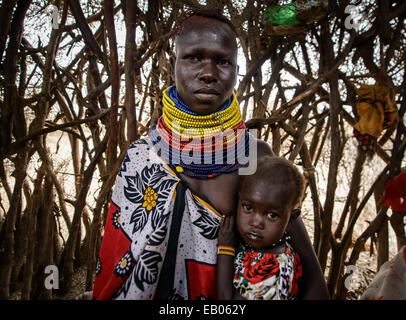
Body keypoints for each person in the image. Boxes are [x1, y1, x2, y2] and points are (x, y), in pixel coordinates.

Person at [91, 8, 329, 300]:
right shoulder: (143, 159)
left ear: (237, 70)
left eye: (223, 61)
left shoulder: (254, 157)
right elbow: (119, 262)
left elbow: (312, 279)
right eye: (193, 57)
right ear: (173, 63)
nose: (208, 73)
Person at [217, 155, 304, 300]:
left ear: (291, 219)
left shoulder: (271, 272)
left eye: (272, 215)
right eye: (248, 207)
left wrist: (225, 249)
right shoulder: (265, 246)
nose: (256, 222)